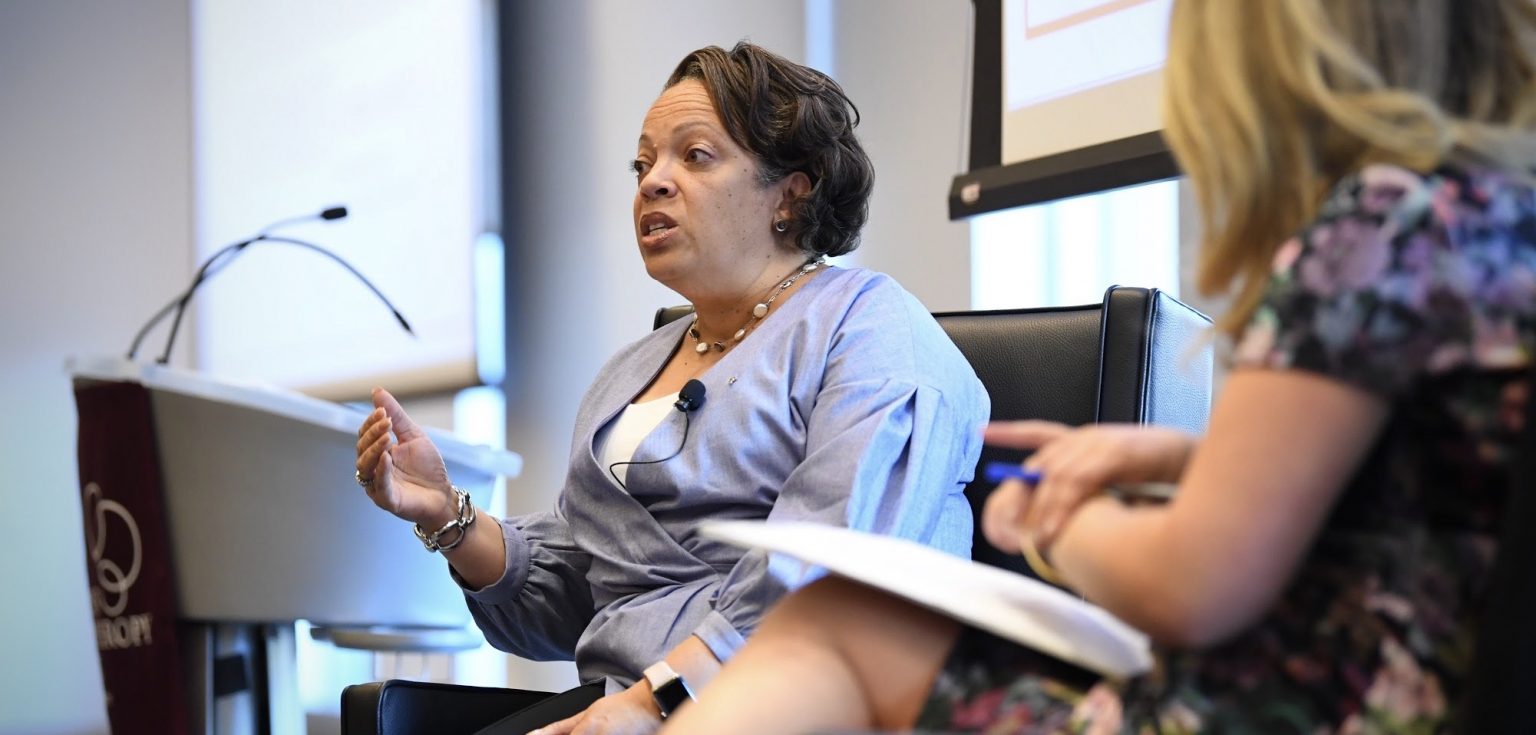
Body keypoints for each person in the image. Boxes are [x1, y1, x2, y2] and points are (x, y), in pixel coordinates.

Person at [658, 1, 1536, 732]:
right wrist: (1189, 465)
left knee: (836, 620)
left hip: (1281, 709)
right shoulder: (1496, 223)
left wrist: (1053, 519)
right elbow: (1439, 494)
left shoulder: (1378, 228)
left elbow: (1191, 584)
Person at [352, 42, 987, 735]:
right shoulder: (631, 370)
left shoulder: (871, 327)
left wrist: (658, 699)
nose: (653, 181)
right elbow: (588, 596)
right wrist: (448, 517)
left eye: (695, 156)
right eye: (643, 162)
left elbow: (832, 568)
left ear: (790, 193)